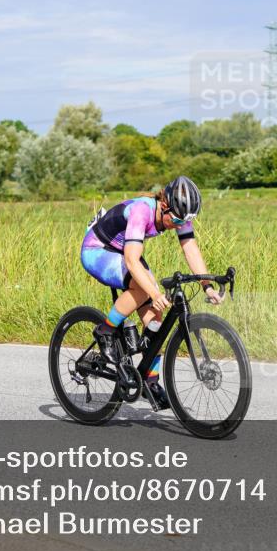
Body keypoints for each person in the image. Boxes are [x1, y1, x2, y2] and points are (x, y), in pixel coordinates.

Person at [80, 176, 223, 410]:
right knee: (143, 289)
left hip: (122, 251)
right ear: (165, 204)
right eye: (176, 219)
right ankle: (105, 330)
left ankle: (151, 379)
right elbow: (131, 260)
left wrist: (206, 284)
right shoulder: (141, 211)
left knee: (156, 321)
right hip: (98, 250)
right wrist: (153, 294)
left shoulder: (178, 215)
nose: (179, 225)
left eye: (184, 221)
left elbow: (190, 248)